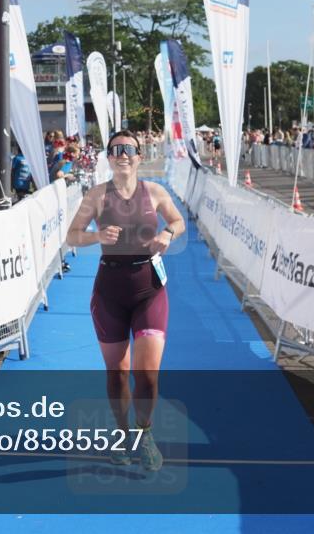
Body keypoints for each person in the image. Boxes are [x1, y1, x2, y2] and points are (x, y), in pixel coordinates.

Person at [65, 130, 185, 471]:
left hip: (149, 288)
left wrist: (167, 232)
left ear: (139, 156)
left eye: (130, 149)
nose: (123, 154)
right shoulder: (97, 196)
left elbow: (178, 221)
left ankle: (144, 435)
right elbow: (72, 235)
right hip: (110, 291)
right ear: (108, 156)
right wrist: (97, 236)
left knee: (147, 374)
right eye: (116, 149)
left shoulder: (156, 192)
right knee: (117, 373)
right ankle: (122, 434)